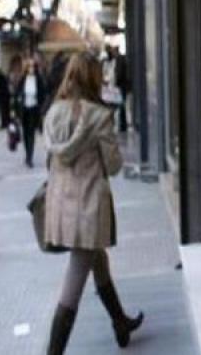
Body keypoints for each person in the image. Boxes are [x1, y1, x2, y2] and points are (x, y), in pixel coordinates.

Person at [43, 52, 143, 354]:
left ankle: (120, 321)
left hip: (61, 206)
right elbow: (113, 166)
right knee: (73, 284)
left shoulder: (53, 111)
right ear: (94, 78)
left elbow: (52, 158)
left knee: (98, 260)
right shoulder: (99, 116)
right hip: (87, 206)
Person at [16, 58, 47, 168]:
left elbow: (43, 94)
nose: (31, 69)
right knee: (25, 133)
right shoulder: (22, 80)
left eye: (33, 66)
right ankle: (27, 153)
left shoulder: (38, 80)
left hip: (34, 109)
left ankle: (30, 157)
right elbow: (17, 94)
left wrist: (41, 107)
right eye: (29, 66)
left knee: (31, 133)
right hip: (24, 109)